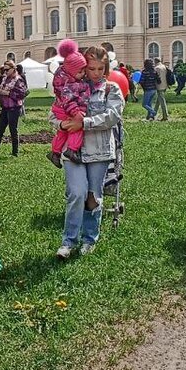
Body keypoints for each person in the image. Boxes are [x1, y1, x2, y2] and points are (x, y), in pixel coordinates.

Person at [53, 46, 124, 259]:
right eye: (91, 68)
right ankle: (68, 241)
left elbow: (112, 117)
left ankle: (89, 238)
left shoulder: (111, 89)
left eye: (100, 68)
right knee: (76, 193)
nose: (95, 73)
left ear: (106, 68)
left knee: (93, 197)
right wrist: (64, 125)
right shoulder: (69, 86)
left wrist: (84, 123)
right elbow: (53, 115)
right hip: (72, 151)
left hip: (99, 151)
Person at [48, 39, 91, 167]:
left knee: (62, 131)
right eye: (80, 72)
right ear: (71, 71)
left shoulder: (63, 79)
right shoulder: (71, 84)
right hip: (67, 110)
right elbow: (69, 100)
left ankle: (55, 152)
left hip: (59, 109)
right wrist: (76, 113)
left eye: (84, 71)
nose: (83, 74)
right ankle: (72, 150)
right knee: (76, 129)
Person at [0, 61, 28, 157]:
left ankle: (15, 152)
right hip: (5, 108)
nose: (5, 72)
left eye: (7, 69)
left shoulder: (19, 80)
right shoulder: (4, 79)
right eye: (4, 70)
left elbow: (22, 94)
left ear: (13, 69)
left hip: (14, 108)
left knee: (13, 130)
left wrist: (9, 93)